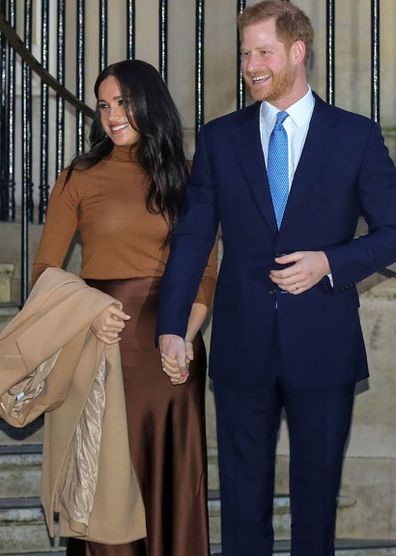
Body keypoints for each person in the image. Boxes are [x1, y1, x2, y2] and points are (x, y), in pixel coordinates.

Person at [157, 2, 396, 555]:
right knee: (242, 506)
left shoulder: (355, 136)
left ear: (297, 50)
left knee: (316, 510)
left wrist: (331, 263)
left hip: (324, 347)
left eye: (263, 51)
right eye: (245, 52)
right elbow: (194, 237)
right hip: (242, 348)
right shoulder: (219, 138)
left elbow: (392, 230)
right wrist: (173, 326)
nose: (251, 64)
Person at [31, 59, 216, 556]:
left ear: (149, 103)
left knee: (169, 472)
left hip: (170, 350)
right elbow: (46, 268)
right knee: (105, 473)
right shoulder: (80, 176)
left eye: (123, 103)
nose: (112, 115)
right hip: (100, 342)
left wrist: (187, 336)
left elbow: (204, 269)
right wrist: (91, 310)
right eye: (104, 105)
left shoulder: (188, 176)